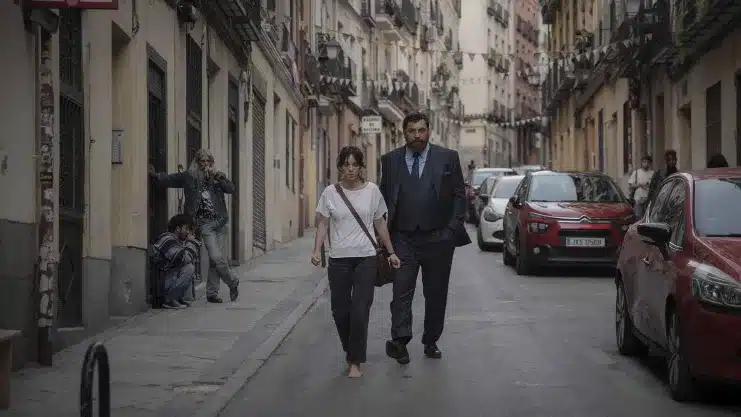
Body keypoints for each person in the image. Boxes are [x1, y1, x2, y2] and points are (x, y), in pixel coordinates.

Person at [379, 112, 471, 365]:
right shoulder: (390, 161)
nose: (417, 135)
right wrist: (382, 235)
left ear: (429, 131)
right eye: (412, 131)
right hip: (403, 238)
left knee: (436, 293)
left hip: (439, 239)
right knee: (401, 292)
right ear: (404, 133)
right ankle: (400, 342)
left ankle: (431, 340)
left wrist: (451, 230)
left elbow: (459, 196)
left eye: (421, 130)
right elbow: (383, 199)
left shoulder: (447, 158)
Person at [311, 146, 401, 378]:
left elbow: (380, 223)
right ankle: (351, 349)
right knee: (340, 311)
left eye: (355, 164)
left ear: (361, 167)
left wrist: (391, 252)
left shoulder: (372, 191)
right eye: (346, 164)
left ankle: (355, 361)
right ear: (340, 167)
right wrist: (316, 250)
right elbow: (322, 223)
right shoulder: (330, 193)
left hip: (366, 258)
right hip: (339, 259)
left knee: (360, 311)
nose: (350, 169)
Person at [150, 149, 239, 303]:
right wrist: (155, 175)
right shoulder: (189, 177)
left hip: (221, 222)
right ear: (197, 163)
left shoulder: (217, 177)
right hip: (205, 224)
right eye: (202, 161)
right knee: (216, 257)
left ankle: (212, 293)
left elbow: (231, 189)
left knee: (215, 260)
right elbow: (170, 179)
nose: (205, 164)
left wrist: (219, 177)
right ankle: (233, 282)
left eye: (208, 161)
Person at [151, 214, 200, 309]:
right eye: (186, 229)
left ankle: (175, 298)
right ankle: (170, 299)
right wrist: (191, 243)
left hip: (167, 279)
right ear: (177, 229)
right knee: (189, 268)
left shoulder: (176, 241)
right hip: (162, 282)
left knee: (189, 266)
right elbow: (182, 258)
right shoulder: (167, 239)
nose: (188, 232)